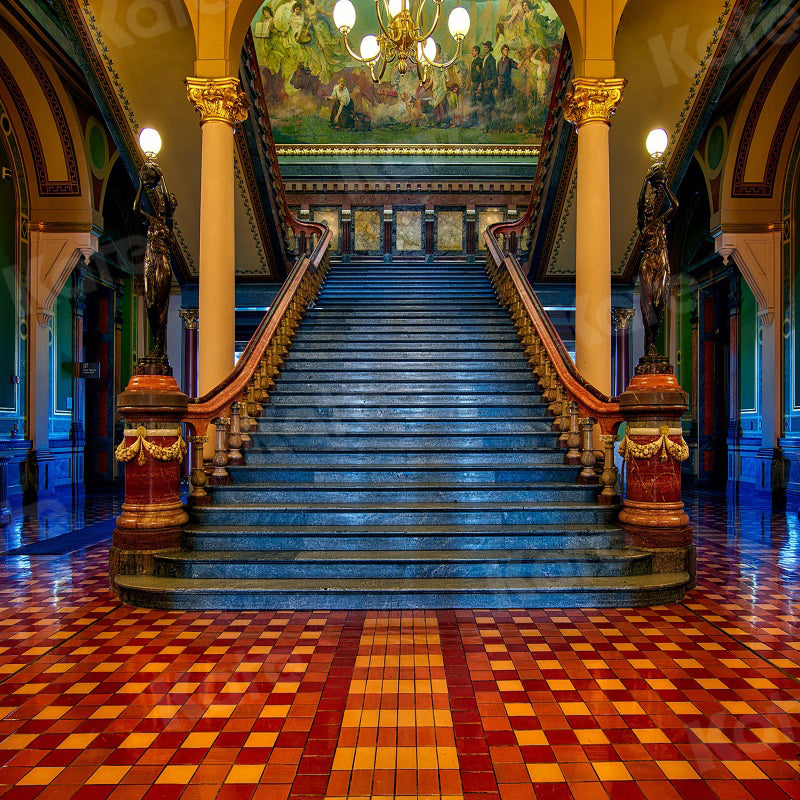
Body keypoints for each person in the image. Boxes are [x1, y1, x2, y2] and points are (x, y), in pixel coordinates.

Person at [637, 161, 678, 357]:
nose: (648, 211)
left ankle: (653, 342)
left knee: (659, 303)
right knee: (648, 303)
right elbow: (638, 204)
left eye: (649, 208)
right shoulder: (643, 227)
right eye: (645, 210)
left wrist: (664, 186)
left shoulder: (662, 222)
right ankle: (650, 344)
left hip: (661, 262)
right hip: (647, 263)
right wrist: (646, 180)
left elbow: (675, 204)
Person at [480, 40, 497, 119]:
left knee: (485, 102)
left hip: (489, 83)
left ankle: (488, 120)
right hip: (485, 83)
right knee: (491, 102)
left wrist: (495, 86)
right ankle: (498, 115)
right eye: (484, 47)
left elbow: (494, 73)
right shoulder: (484, 58)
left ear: (489, 49)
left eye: (486, 47)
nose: (484, 49)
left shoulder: (491, 59)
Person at [468, 45, 482, 125]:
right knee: (472, 101)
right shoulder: (474, 61)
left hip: (477, 83)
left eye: (473, 51)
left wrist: (480, 84)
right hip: (473, 83)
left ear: (476, 52)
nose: (472, 52)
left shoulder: (479, 61)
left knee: (474, 102)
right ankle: (473, 120)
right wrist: (471, 82)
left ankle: (475, 121)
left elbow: (480, 74)